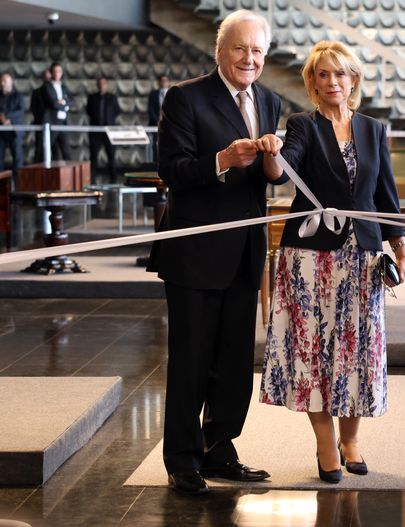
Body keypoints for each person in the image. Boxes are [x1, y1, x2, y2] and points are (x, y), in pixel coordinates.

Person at [147, 9, 286, 495]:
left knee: (232, 363)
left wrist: (273, 161)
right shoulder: (185, 98)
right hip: (195, 252)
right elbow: (173, 170)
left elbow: (273, 179)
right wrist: (222, 160)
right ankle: (182, 458)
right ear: (220, 51)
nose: (249, 58)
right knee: (191, 359)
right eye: (240, 48)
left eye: (257, 51)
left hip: (245, 253)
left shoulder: (268, 100)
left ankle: (220, 448)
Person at [257, 40, 405, 484]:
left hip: (362, 254)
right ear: (312, 82)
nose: (332, 82)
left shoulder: (373, 129)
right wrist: (271, 152)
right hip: (309, 257)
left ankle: (352, 440)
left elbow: (384, 193)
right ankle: (326, 446)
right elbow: (282, 173)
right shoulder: (303, 125)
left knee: (358, 350)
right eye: (322, 75)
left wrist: (396, 240)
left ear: (353, 79)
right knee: (314, 354)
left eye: (339, 73)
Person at [86, 77, 120, 182]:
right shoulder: (92, 97)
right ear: (97, 85)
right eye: (99, 83)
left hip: (109, 132)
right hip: (95, 131)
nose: (101, 85)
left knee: (111, 156)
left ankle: (113, 179)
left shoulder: (112, 97)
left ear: (106, 84)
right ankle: (92, 178)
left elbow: (117, 110)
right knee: (94, 156)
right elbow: (88, 111)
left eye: (103, 83)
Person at [41, 62, 74, 160]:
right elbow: (53, 104)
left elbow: (73, 102)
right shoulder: (46, 87)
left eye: (59, 71)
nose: (57, 74)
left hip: (63, 123)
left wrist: (64, 103)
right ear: (51, 73)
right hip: (52, 123)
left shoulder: (63, 87)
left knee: (66, 150)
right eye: (55, 71)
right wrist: (65, 105)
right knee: (47, 149)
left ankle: (69, 175)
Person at [0, 72, 25, 180]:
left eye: (4, 81)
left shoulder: (18, 96)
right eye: (1, 81)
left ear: (11, 82)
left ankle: (18, 185)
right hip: (1, 133)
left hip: (14, 132)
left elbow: (20, 111)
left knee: (18, 159)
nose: (2, 83)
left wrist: (7, 118)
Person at [148, 75, 170, 162]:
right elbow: (150, 109)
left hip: (170, 125)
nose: (164, 82)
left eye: (165, 81)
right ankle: (155, 165)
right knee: (155, 146)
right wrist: (157, 121)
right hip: (155, 125)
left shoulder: (173, 93)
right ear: (159, 82)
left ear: (169, 83)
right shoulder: (153, 94)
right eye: (162, 81)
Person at [30, 68, 50, 162]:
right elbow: (33, 108)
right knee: (39, 149)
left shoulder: (58, 91)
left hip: (54, 125)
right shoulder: (37, 92)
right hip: (40, 124)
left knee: (55, 150)